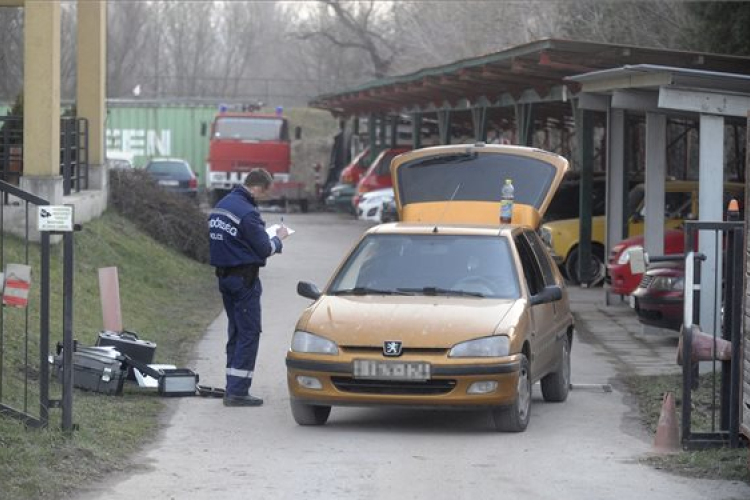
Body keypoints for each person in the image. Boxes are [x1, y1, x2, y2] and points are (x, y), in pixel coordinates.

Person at [208, 168, 289, 407]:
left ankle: (231, 385)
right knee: (249, 333)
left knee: (235, 331)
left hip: (224, 277)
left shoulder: (222, 205)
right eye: (267, 192)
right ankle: (237, 392)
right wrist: (279, 238)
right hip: (244, 280)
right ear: (259, 187)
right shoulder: (248, 213)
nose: (266, 196)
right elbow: (264, 249)